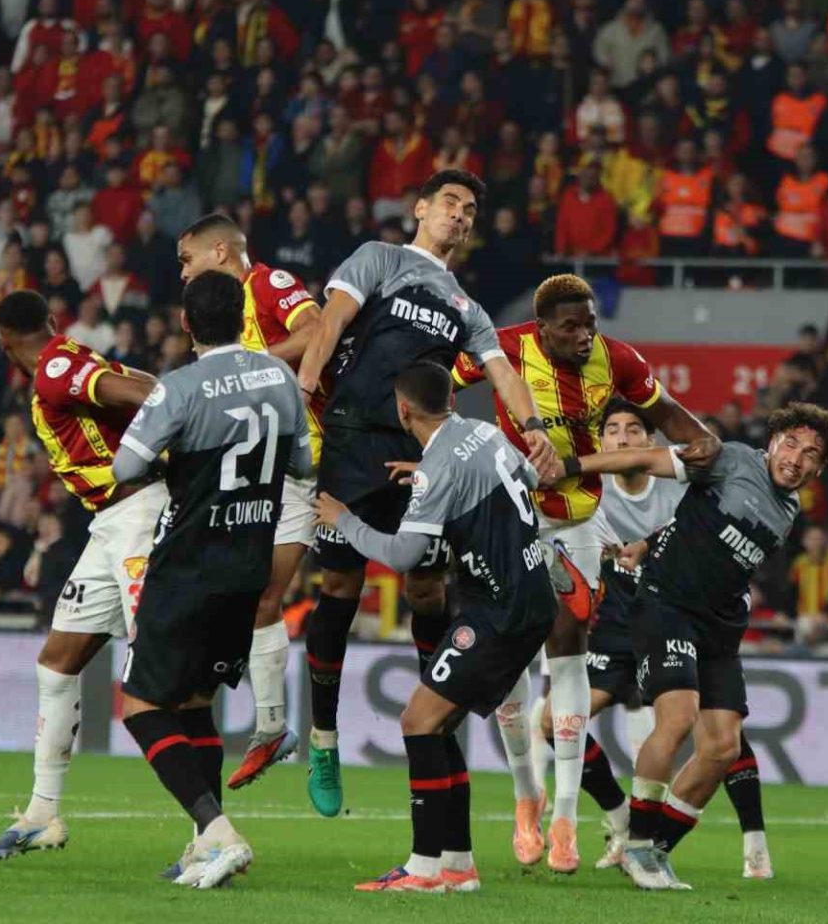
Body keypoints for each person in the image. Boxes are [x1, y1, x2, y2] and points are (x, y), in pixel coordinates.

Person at [294, 169, 556, 817]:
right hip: (354, 440)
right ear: (420, 208)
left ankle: (434, 720)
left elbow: (503, 373)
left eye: (469, 210)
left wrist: (535, 429)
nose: (459, 215)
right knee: (340, 587)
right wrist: (303, 387)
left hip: (420, 454)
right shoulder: (379, 259)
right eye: (450, 202)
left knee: (427, 591)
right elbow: (331, 324)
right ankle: (323, 738)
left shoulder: (467, 309)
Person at [450, 274, 704, 872]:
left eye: (590, 322)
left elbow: (667, 414)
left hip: (578, 521)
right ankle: (526, 796)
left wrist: (707, 443)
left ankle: (564, 816)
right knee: (508, 657)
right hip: (512, 518)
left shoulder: (619, 360)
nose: (585, 334)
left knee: (568, 652)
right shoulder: (503, 346)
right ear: (542, 328)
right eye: (571, 326)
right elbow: (442, 383)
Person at [543, 402, 828, 890]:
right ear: (772, 441)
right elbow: (643, 458)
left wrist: (649, 541)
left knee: (723, 747)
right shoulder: (730, 459)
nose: (796, 458)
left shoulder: (788, 509)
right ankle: (637, 844)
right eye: (790, 443)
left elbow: (694, 525)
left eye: (811, 453)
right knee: (678, 719)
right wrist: (570, 466)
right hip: (668, 606)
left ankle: (654, 849)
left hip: (720, 627)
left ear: (820, 468)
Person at [314, 361, 557, 893]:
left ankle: (424, 869)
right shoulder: (485, 433)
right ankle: (458, 865)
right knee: (437, 725)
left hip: (500, 609)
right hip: (532, 594)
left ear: (403, 410)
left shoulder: (439, 466)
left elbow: (405, 554)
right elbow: (532, 477)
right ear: (451, 399)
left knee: (418, 721)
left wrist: (343, 521)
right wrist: (435, 477)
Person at [110, 270, 313, 890]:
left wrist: (178, 458)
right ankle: (205, 847)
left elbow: (125, 466)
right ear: (242, 316)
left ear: (186, 323)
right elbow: (303, 463)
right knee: (196, 704)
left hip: (189, 566)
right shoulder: (279, 377)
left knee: (140, 706)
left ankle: (218, 831)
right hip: (249, 565)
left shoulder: (179, 387)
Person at [0, 289, 162, 861]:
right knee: (57, 663)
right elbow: (140, 383)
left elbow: (148, 393)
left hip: (138, 515)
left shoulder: (56, 368)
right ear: (52, 320)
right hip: (110, 524)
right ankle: (41, 814)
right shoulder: (74, 357)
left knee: (161, 676)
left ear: (4, 339)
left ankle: (210, 833)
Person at [567, 399, 775, 877]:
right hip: (619, 624)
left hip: (682, 612)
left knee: (719, 732)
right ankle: (623, 821)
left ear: (650, 440)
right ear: (602, 440)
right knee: (559, 723)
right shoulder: (589, 495)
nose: (622, 437)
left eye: (632, 429)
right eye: (612, 430)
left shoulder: (681, 482)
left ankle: (753, 841)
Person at [175, 213, 323, 788]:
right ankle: (272, 727)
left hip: (305, 464)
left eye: (187, 259)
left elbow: (316, 329)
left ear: (219, 252)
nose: (182, 272)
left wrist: (257, 368)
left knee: (276, 595)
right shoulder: (216, 318)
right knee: (256, 597)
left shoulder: (267, 283)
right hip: (258, 473)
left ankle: (298, 734)